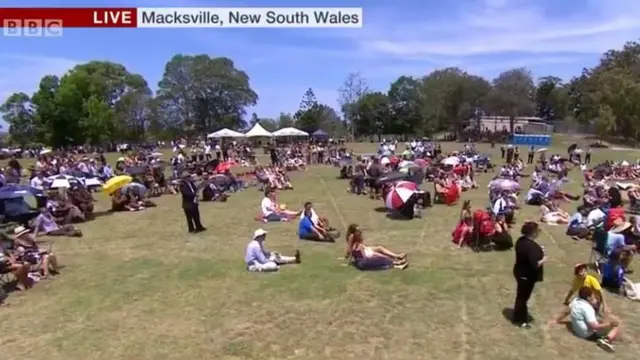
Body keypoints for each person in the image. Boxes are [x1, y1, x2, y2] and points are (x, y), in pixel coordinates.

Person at [512, 221, 546, 328]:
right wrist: (544, 259)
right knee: (523, 298)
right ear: (533, 232)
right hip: (527, 275)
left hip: (519, 271)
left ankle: (517, 315)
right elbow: (535, 264)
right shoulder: (531, 247)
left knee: (520, 296)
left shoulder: (520, 241)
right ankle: (522, 320)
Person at [569, 287, 620, 352]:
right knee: (615, 326)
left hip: (577, 331)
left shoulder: (575, 301)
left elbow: (567, 310)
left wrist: (556, 320)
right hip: (587, 335)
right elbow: (594, 326)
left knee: (600, 321)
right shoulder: (587, 308)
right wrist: (609, 324)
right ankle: (606, 340)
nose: (594, 297)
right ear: (588, 298)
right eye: (592, 296)